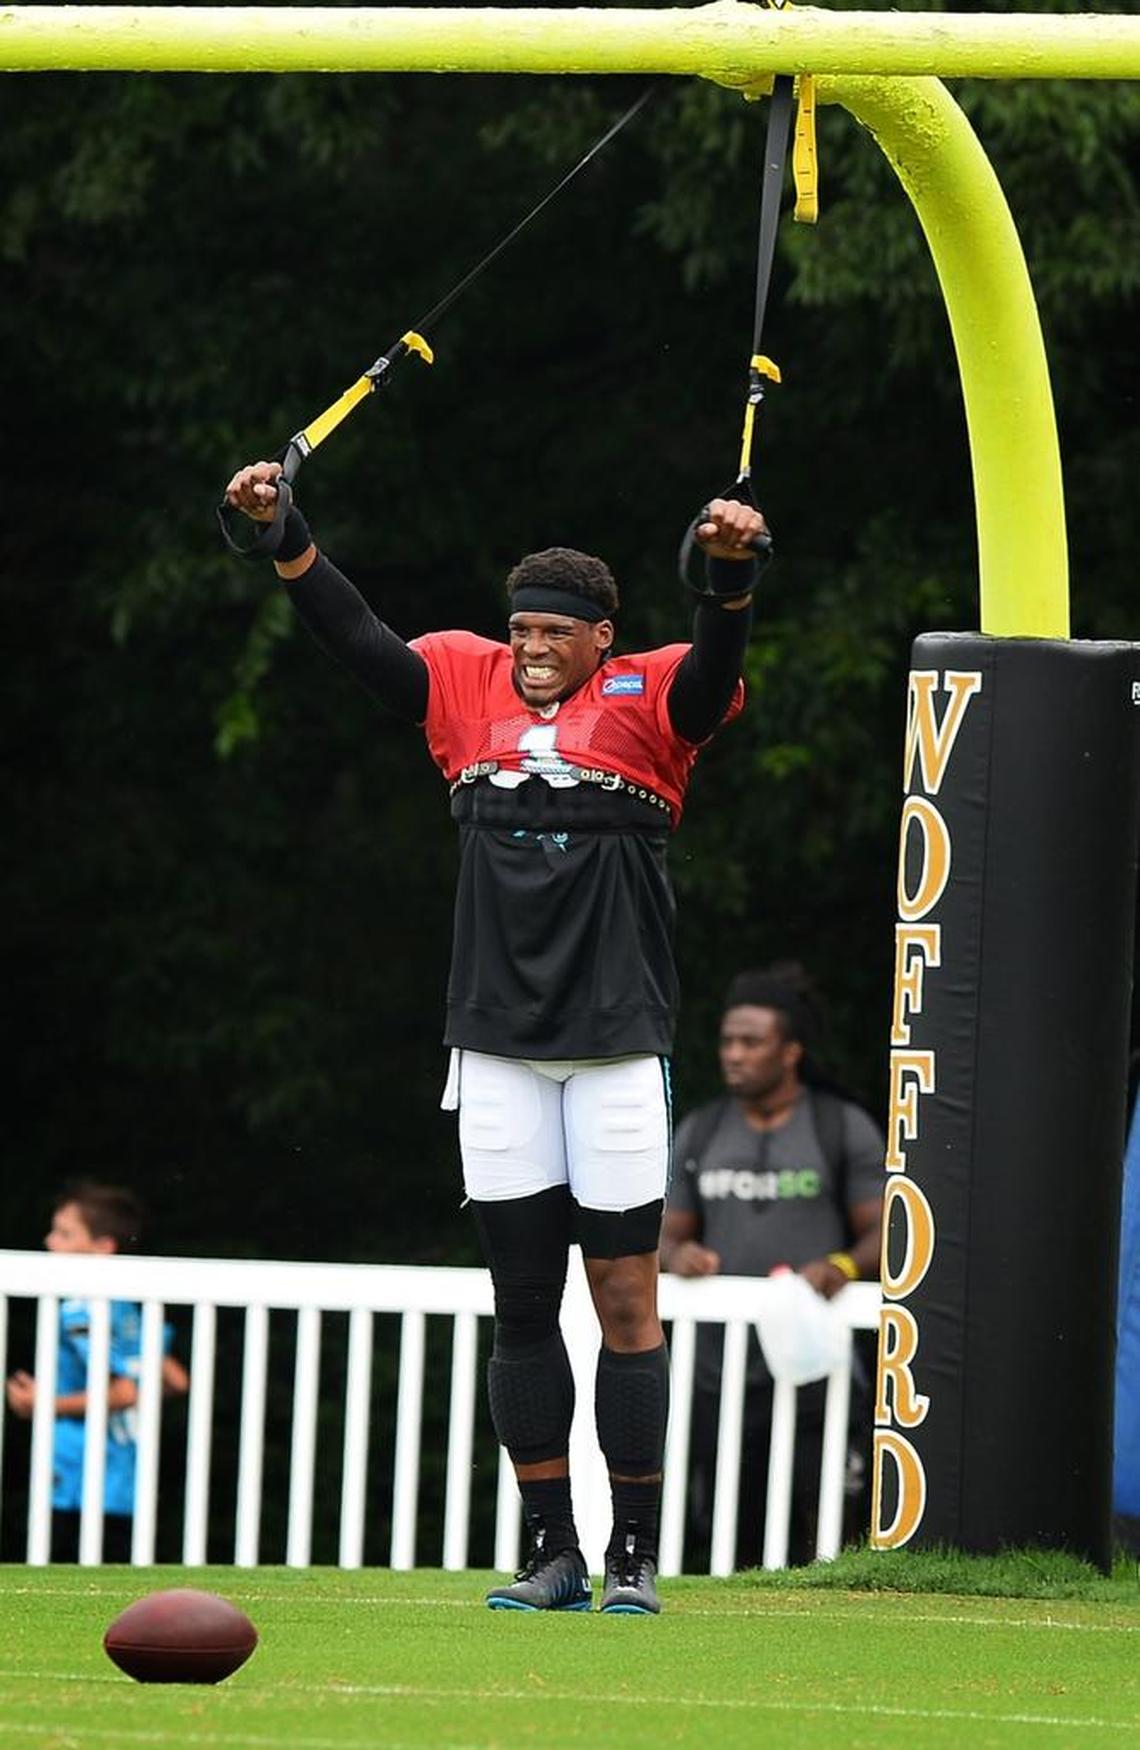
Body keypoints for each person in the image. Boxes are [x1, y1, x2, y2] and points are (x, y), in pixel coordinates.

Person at [223, 458, 765, 1613]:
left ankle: (631, 1553)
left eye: (552, 630)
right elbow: (356, 634)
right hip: (496, 1045)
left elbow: (716, 667)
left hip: (617, 1043)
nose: (528, 644)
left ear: (601, 637)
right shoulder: (464, 685)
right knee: (521, 1302)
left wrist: (728, 580)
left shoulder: (650, 698)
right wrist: (283, 532)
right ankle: (551, 1547)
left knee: (624, 1293)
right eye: (519, 625)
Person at [661, 963, 885, 1568]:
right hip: (721, 1369)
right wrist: (679, 1255)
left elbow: (887, 1232)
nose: (733, 1054)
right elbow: (663, 1237)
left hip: (816, 1369)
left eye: (751, 1042)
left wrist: (841, 1263)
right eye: (728, 1040)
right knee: (727, 1526)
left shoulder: (840, 1127)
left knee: (828, 1523)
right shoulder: (702, 1131)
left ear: (791, 1052)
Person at [5, 1181, 189, 1562]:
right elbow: (175, 1381)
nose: (49, 1241)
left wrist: (47, 1404)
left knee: (56, 1580)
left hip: (76, 1473)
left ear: (103, 1247)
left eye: (65, 1234)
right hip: (122, 1475)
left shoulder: (80, 1310)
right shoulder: (123, 1308)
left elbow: (124, 1393)